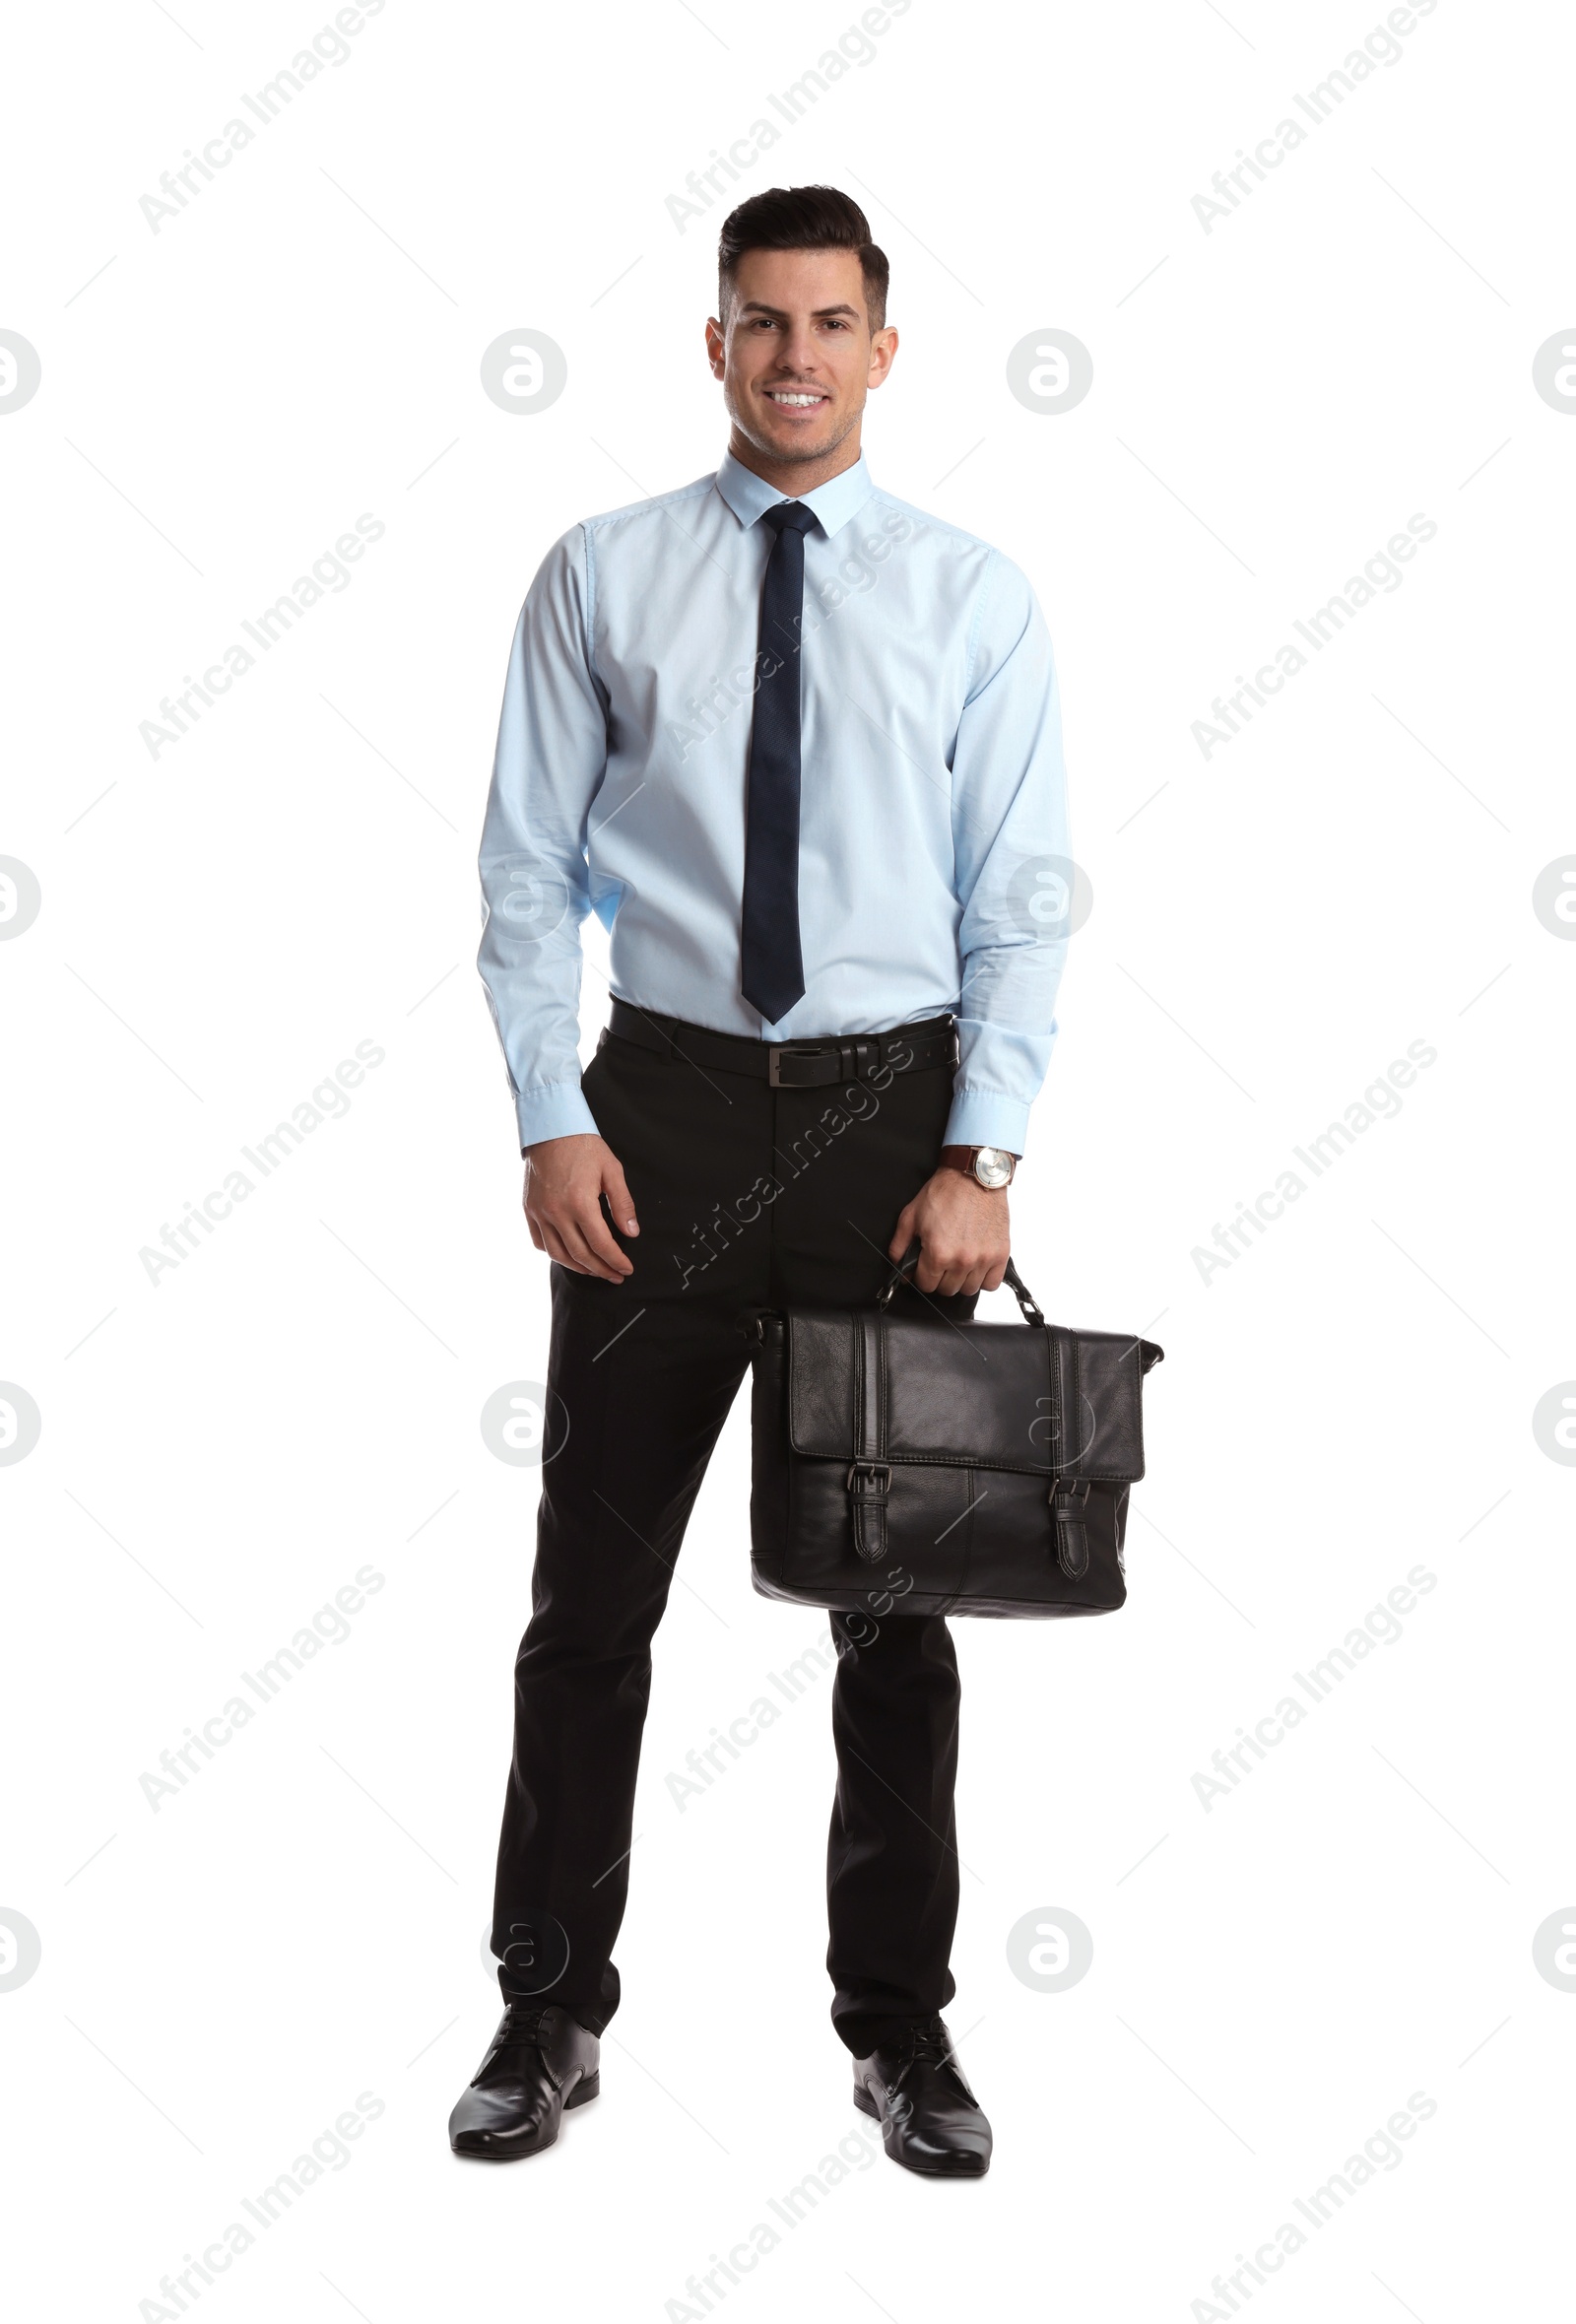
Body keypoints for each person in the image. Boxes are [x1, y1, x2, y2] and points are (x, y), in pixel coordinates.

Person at [450, 184, 1071, 2178]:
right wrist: (552, 1108)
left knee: (894, 1609)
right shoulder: (603, 575)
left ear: (884, 351)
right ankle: (548, 2004)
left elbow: (1020, 903)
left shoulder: (972, 597)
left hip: (894, 1137)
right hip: (666, 1120)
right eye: (756, 320)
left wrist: (982, 1151)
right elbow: (527, 869)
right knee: (590, 1598)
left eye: (827, 322)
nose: (792, 353)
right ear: (711, 346)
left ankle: (901, 2030)